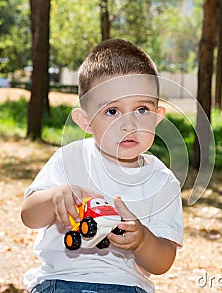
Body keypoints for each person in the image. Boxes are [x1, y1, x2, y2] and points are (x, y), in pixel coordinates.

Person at [20, 39, 183, 293]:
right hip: (61, 282)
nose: (128, 124)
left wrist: (142, 240)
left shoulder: (162, 181)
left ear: (158, 116)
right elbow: (29, 216)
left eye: (141, 109)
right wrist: (54, 198)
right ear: (85, 121)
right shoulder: (70, 159)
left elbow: (163, 262)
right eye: (112, 111)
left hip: (127, 286)